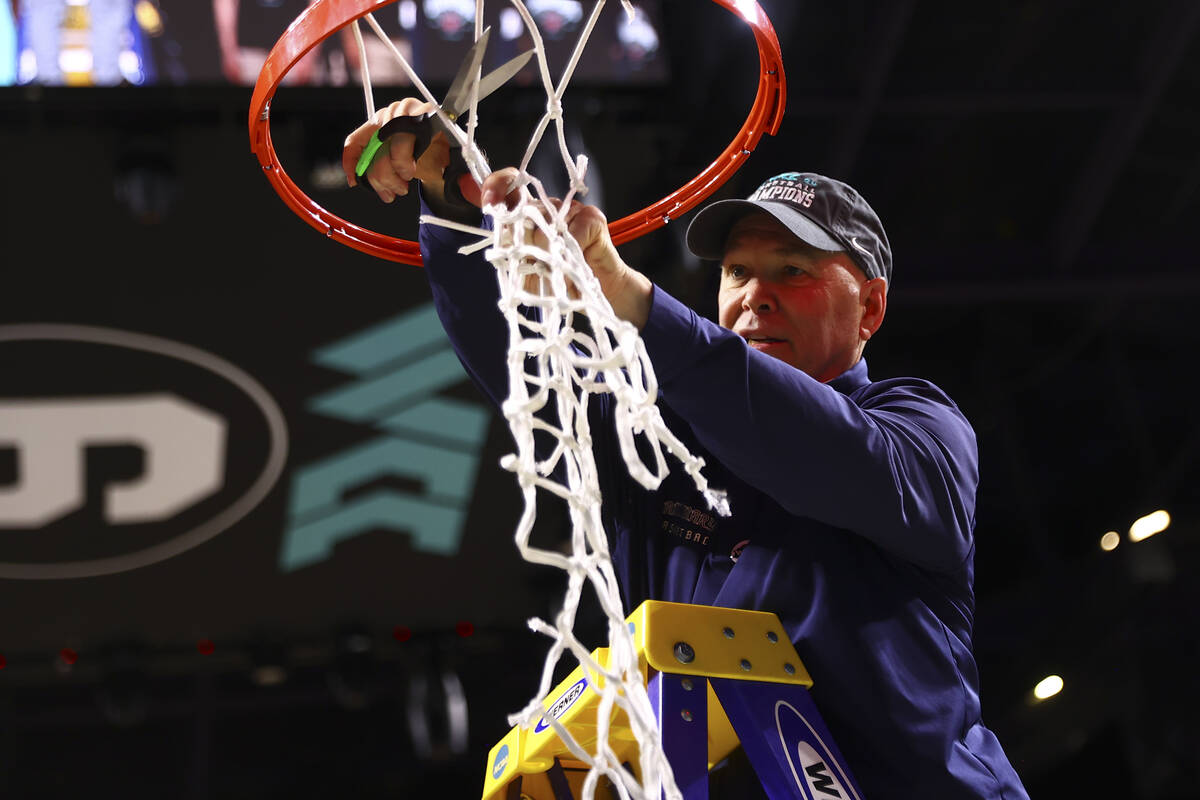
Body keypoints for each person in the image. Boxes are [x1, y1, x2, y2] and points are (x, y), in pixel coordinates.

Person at [341, 98, 1030, 800]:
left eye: (794, 271)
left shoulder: (920, 427)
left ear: (871, 309)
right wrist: (448, 197)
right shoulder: (659, 436)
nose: (755, 296)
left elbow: (815, 451)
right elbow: (528, 369)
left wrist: (633, 299)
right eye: (737, 273)